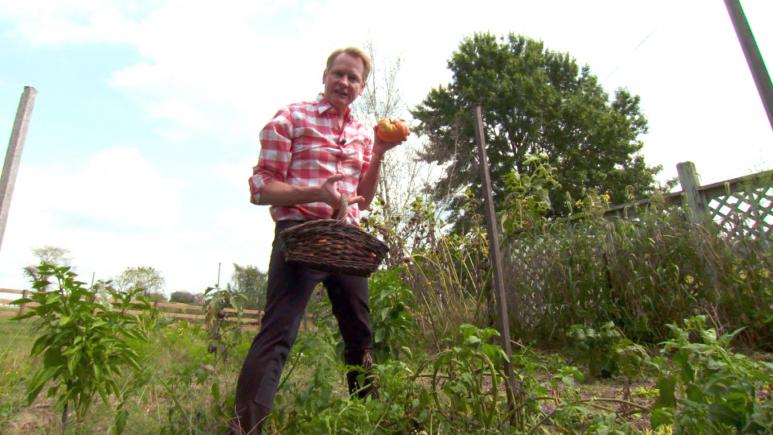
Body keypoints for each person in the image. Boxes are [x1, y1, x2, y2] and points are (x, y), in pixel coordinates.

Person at [231, 47, 405, 434]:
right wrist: (314, 194)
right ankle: (244, 428)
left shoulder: (362, 132)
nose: (344, 82)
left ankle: (366, 421)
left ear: (361, 88)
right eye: (339, 74)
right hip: (300, 238)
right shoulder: (291, 117)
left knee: (360, 335)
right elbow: (259, 188)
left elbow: (365, 197)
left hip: (347, 245)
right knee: (278, 333)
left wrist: (377, 153)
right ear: (325, 76)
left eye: (353, 78)